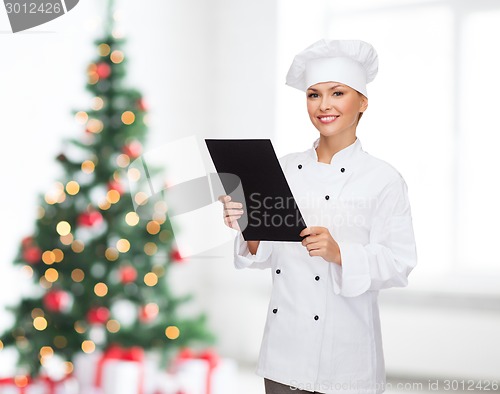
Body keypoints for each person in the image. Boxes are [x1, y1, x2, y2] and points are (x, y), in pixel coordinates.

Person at [219, 39, 417, 394]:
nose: (324, 105)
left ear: (362, 103)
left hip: (347, 359)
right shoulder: (282, 169)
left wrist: (340, 253)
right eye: (313, 95)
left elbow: (399, 263)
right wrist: (247, 224)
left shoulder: (384, 179)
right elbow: (264, 253)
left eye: (337, 93)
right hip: (284, 354)